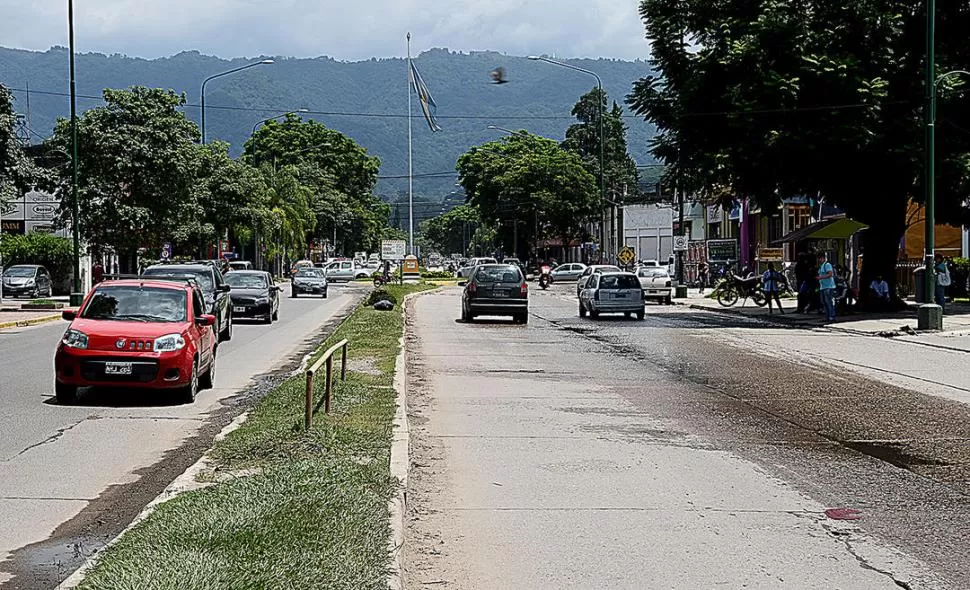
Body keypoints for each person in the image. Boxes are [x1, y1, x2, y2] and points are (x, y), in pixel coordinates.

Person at [817, 253, 836, 321]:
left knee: (829, 302)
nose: (819, 260)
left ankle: (832, 316)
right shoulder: (821, 266)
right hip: (823, 287)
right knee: (824, 302)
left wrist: (820, 277)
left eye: (820, 259)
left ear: (823, 258)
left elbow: (830, 274)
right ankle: (827, 317)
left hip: (828, 286)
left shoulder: (827, 265)